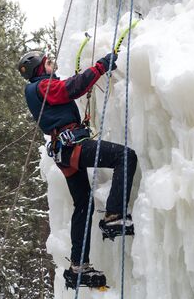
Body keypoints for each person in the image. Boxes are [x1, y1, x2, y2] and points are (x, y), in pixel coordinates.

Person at [17, 50, 137, 289]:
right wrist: (101, 67)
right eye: (48, 63)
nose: (53, 65)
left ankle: (78, 266)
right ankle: (114, 216)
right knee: (125, 156)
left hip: (63, 152)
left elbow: (64, 95)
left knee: (84, 204)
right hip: (72, 146)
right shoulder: (42, 86)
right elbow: (72, 88)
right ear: (39, 69)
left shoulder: (37, 90)